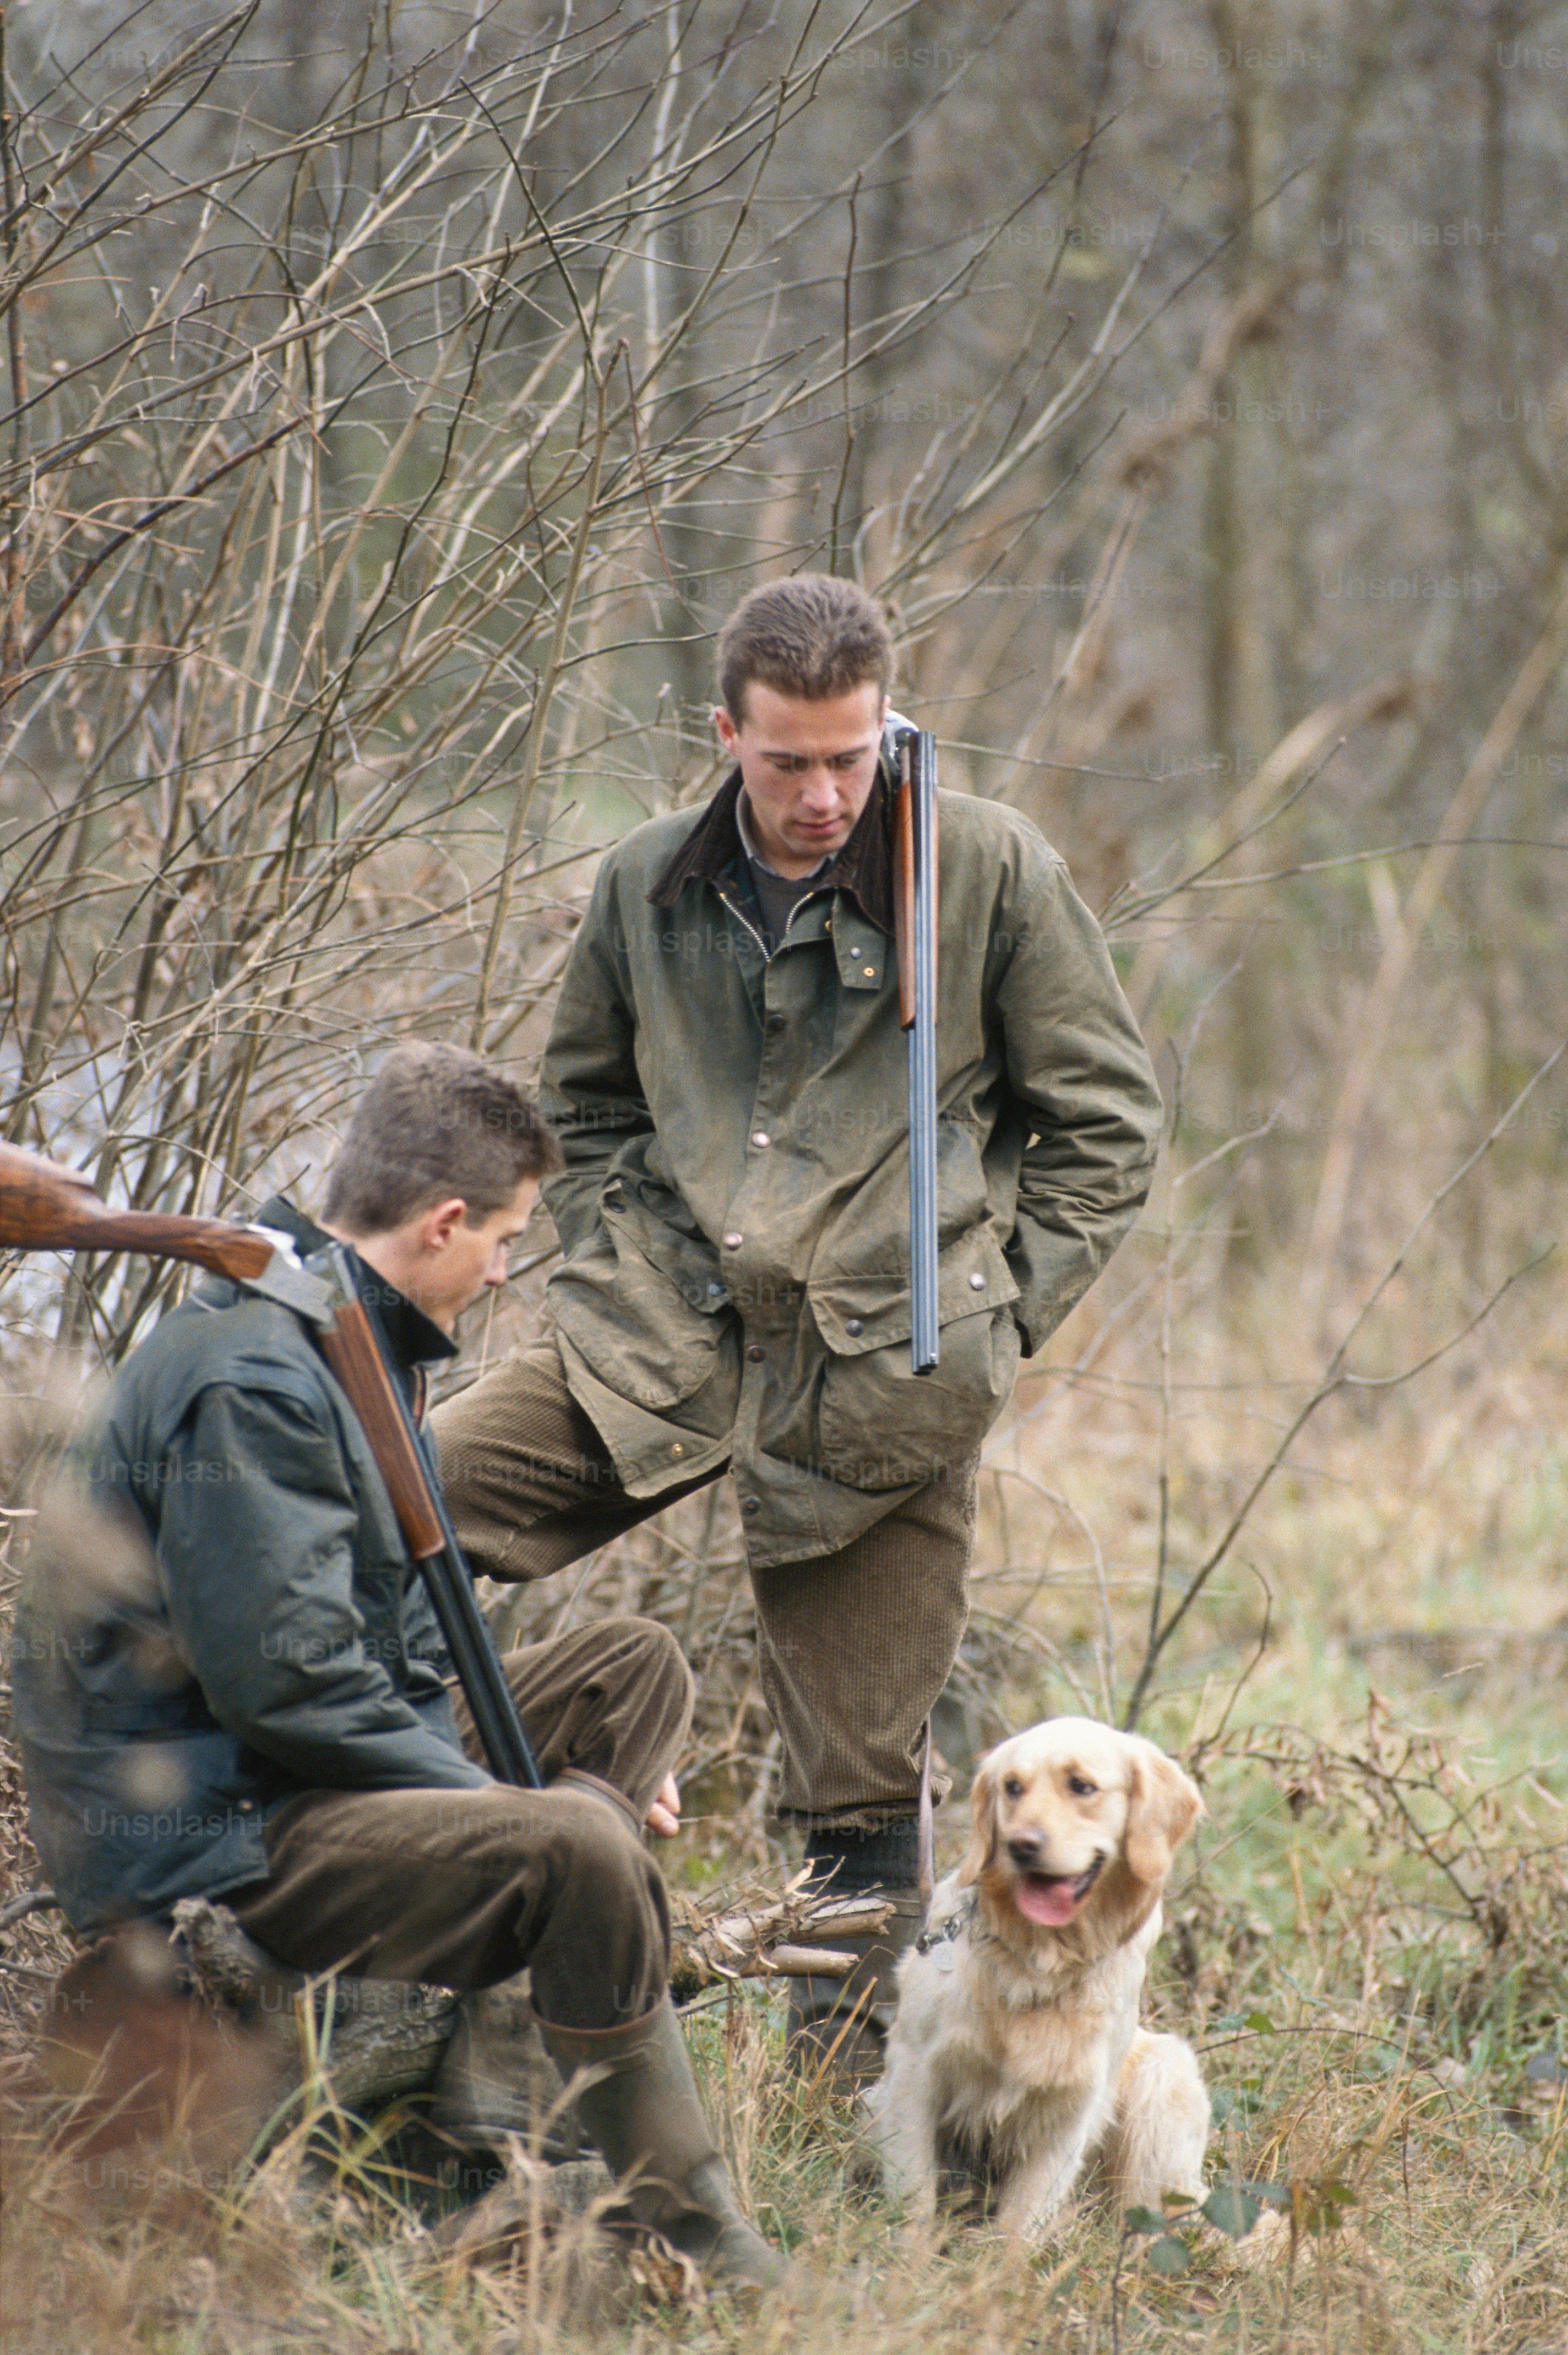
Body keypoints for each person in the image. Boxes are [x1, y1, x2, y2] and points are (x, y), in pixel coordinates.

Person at [431, 575, 1165, 2083]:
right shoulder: (644, 882)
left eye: (855, 755)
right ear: (727, 735)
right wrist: (626, 1248)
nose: (828, 795)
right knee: (398, 1508)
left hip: (885, 1378)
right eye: (789, 762)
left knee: (858, 1782)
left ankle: (839, 2106)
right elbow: (587, 1104)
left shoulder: (989, 870)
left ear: (889, 724)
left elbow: (1108, 1123)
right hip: (657, 1335)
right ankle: (388, 1914)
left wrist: (993, 1314)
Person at [12, 1042, 783, 2292]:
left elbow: (390, 1640)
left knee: (630, 1670)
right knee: (579, 1845)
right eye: (504, 1241)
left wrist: (513, 1772)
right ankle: (690, 2228)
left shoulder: (339, 1333)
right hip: (220, 1839)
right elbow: (292, 1691)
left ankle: (476, 2109)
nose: (501, 1270)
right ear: (441, 1223)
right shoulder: (255, 1379)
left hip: (288, 1773)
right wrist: (511, 1810)